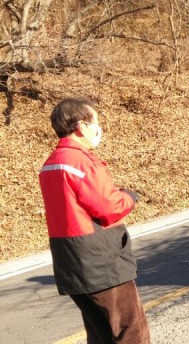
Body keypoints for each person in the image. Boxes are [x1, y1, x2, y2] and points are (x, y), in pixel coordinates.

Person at [38, 97, 150, 343]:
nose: (99, 128)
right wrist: (128, 196)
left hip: (71, 262)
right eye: (96, 122)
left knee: (99, 334)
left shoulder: (50, 164)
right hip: (101, 261)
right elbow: (109, 207)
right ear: (81, 126)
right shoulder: (81, 162)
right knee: (131, 331)